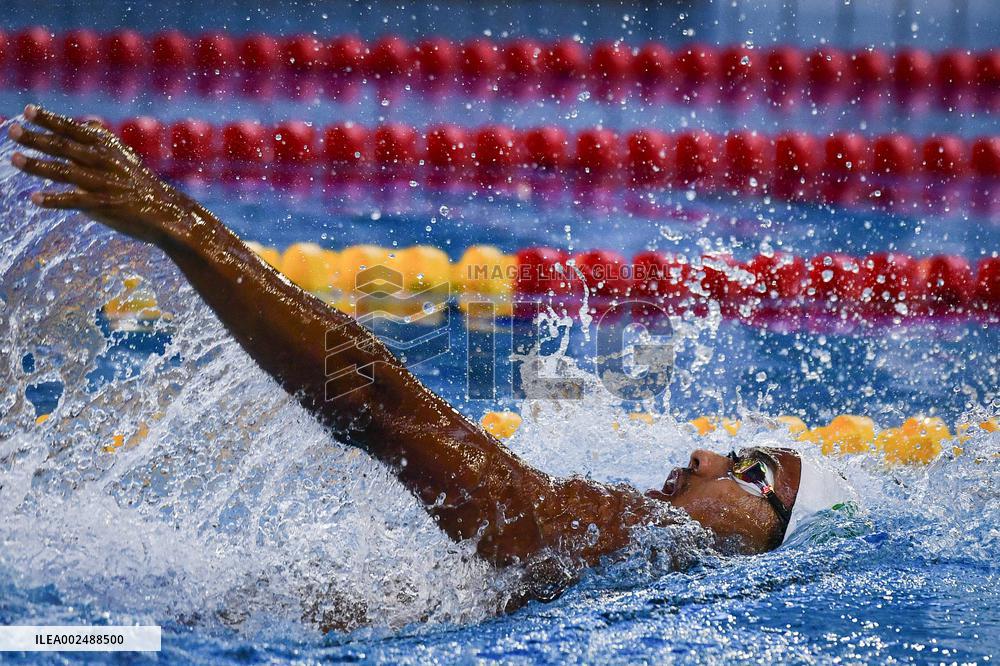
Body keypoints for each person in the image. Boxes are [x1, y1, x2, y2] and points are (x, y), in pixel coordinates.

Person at [7, 105, 854, 610]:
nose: (706, 453)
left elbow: (381, 406)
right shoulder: (634, 555)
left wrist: (180, 228)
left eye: (749, 471)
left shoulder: (648, 540)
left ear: (771, 539)